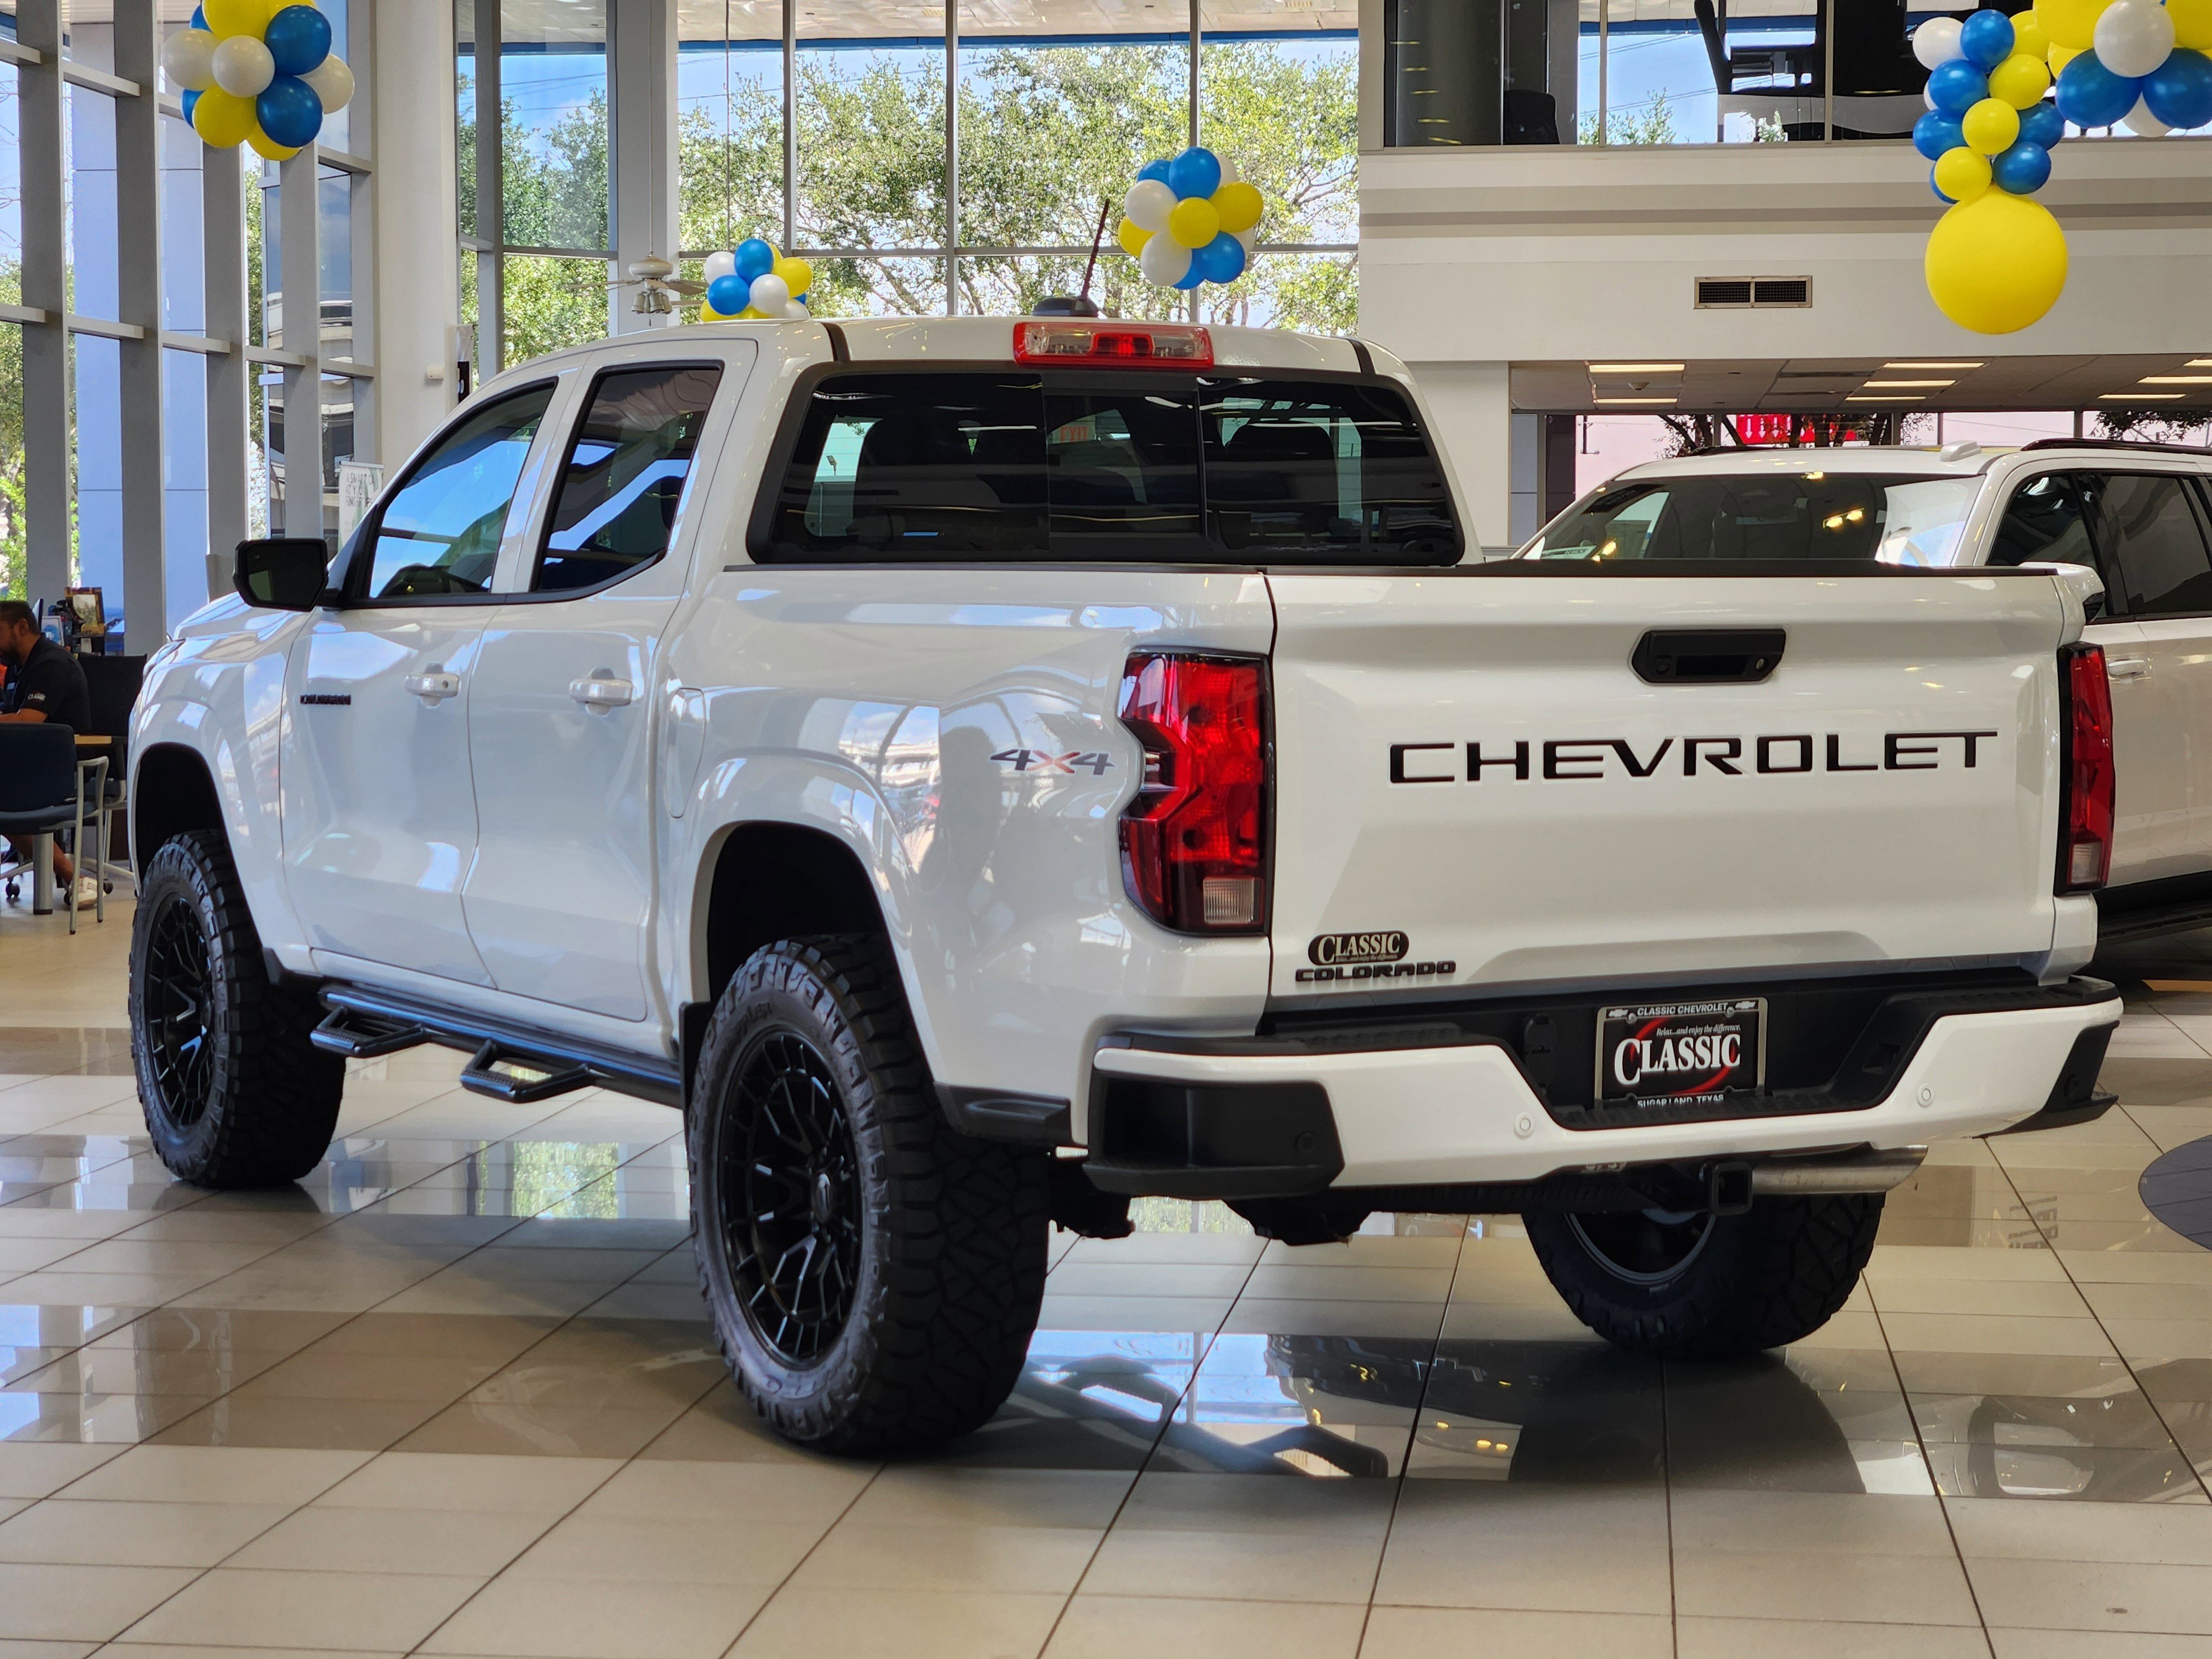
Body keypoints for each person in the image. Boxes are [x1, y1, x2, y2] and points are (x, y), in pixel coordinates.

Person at [0, 599, 98, 909]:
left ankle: (72, 875)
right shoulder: (20, 669)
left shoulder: (51, 664)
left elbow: (29, 720)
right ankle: (70, 874)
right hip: (32, 764)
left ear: (21, 628)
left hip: (62, 770)